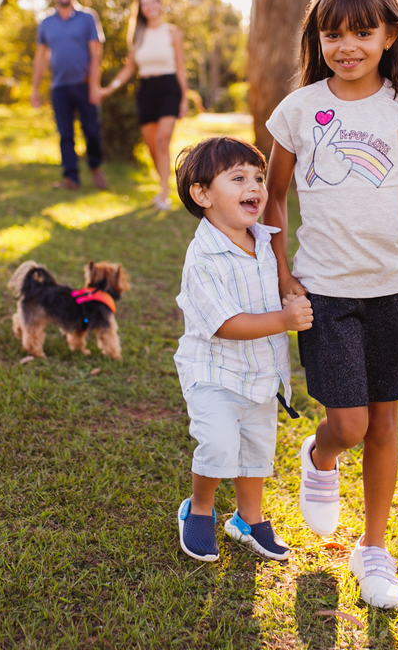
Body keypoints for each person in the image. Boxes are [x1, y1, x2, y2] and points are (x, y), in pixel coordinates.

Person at [263, 0, 398, 608]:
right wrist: (282, 277)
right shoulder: (298, 110)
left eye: (362, 32)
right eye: (332, 34)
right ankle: (320, 458)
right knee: (348, 423)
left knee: (383, 422)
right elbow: (271, 201)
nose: (346, 46)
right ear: (316, 41)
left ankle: (374, 547)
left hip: (395, 290)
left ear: (390, 37)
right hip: (324, 291)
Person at [172, 136, 314, 563]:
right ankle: (199, 509)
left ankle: (248, 520)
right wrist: (284, 321)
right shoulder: (203, 259)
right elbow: (226, 324)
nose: (253, 186)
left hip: (261, 375)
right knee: (218, 445)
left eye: (258, 177)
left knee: (256, 454)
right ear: (202, 195)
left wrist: (287, 288)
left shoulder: (264, 239)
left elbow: (269, 282)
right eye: (237, 178)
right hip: (214, 373)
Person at [102, 0, 189, 210]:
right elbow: (129, 67)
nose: (149, 6)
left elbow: (180, 66)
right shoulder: (137, 35)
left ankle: (164, 192)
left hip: (169, 87)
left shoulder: (172, 32)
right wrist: (108, 89)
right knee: (152, 145)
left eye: (152, 2)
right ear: (140, 10)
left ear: (159, 5)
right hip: (147, 89)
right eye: (144, 4)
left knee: (163, 139)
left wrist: (184, 97)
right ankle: (162, 184)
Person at [30, 0, 107, 191]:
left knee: (92, 131)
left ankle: (95, 167)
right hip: (59, 87)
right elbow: (41, 57)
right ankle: (71, 178)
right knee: (65, 134)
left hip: (84, 85)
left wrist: (94, 85)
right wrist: (34, 88)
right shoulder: (46, 22)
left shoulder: (87, 17)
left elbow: (96, 53)